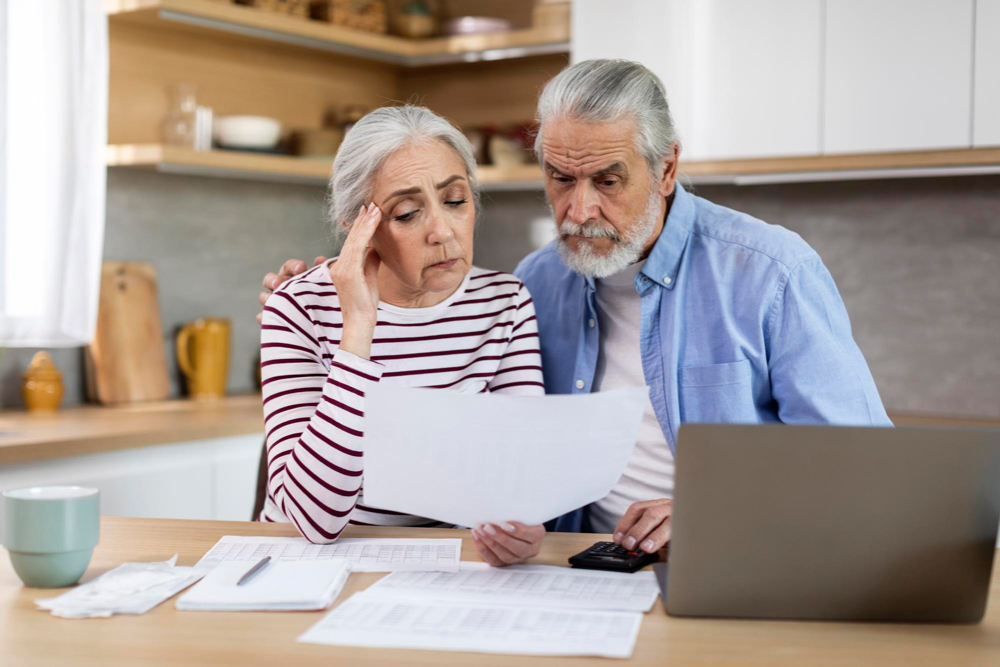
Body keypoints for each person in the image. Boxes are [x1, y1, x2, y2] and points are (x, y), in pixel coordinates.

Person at [262, 60, 891, 558]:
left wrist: (720, 509)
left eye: (608, 181)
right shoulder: (539, 281)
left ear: (667, 167)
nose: (580, 209)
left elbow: (866, 473)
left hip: (733, 552)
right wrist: (329, 303)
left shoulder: (771, 273)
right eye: (561, 178)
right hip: (582, 562)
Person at [259, 105, 547, 567]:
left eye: (456, 201)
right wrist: (358, 326)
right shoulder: (297, 307)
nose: (442, 231)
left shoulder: (504, 302)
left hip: (444, 566)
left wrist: (522, 527)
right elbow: (314, 520)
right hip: (309, 567)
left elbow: (520, 477)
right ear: (358, 226)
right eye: (408, 212)